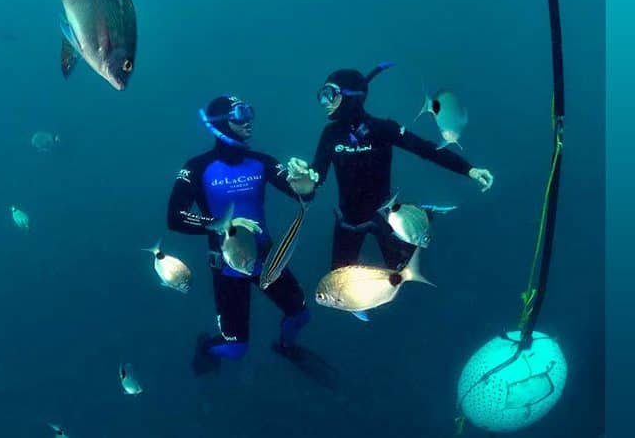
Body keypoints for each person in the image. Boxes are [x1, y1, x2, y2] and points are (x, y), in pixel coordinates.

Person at [166, 95, 328, 380]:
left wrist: (305, 187)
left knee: (301, 314)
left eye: (250, 113)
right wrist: (219, 223)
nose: (248, 120)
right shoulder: (196, 167)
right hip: (227, 265)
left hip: (265, 257)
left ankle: (286, 347)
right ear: (220, 123)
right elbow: (175, 217)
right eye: (240, 115)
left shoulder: (261, 162)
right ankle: (206, 347)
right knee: (236, 349)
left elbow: (300, 193)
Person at [287, 63, 495, 271]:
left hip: (386, 217)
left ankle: (423, 214)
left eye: (329, 94)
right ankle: (424, 213)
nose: (323, 102)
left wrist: (470, 169)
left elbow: (428, 150)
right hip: (348, 220)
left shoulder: (384, 129)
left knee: (402, 276)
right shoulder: (330, 134)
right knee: (338, 287)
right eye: (321, 95)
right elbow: (317, 178)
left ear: (350, 95)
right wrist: (303, 179)